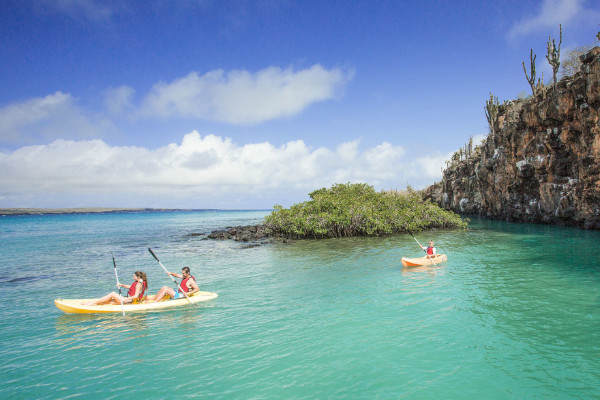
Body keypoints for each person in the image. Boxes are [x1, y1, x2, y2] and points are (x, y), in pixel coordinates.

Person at [82, 271, 148, 306]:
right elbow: (131, 287)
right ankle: (94, 304)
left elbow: (136, 296)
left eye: (134, 276)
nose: (133, 277)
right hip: (128, 300)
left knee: (113, 294)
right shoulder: (138, 283)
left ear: (138, 277)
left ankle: (93, 302)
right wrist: (121, 285)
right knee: (110, 302)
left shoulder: (139, 284)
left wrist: (126, 299)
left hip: (129, 301)